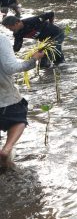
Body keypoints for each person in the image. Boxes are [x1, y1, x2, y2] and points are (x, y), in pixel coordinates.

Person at [0, 33, 44, 168]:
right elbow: (11, 68)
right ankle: (7, 148)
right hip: (4, 98)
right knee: (18, 118)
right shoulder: (1, 39)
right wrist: (33, 60)